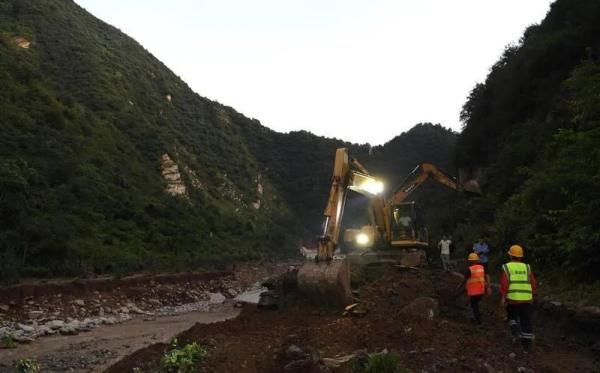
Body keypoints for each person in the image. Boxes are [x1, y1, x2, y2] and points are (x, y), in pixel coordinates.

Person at [500, 244, 537, 351]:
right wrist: (533, 294)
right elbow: (533, 283)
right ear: (521, 257)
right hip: (527, 299)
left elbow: (504, 283)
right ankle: (526, 346)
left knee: (512, 316)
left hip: (513, 299)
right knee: (526, 321)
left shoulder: (507, 267)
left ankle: (515, 331)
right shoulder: (527, 267)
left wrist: (503, 297)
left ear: (510, 256)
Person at [460, 253, 490, 324]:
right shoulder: (482, 267)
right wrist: (488, 286)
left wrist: (460, 287)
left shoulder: (470, 269)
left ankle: (477, 319)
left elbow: (465, 279)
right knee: (475, 304)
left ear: (470, 261)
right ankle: (476, 316)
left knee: (474, 305)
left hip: (473, 292)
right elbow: (487, 276)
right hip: (481, 290)